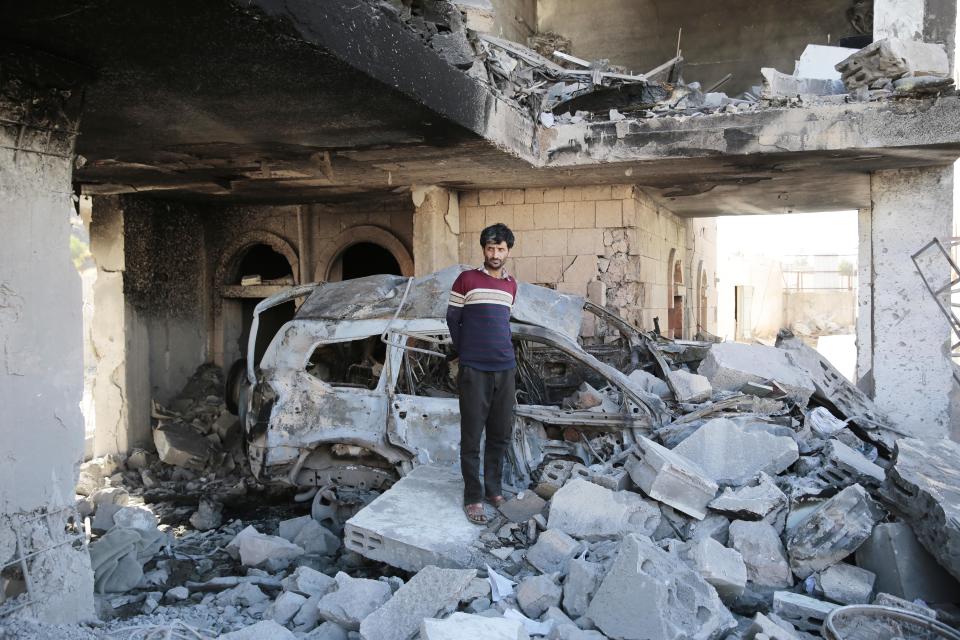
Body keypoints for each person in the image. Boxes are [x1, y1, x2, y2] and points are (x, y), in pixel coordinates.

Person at [446, 223, 518, 525]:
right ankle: (473, 497)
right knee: (472, 436)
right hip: (474, 369)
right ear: (483, 250)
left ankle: (493, 490)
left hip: (505, 368)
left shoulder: (511, 285)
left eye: (500, 249)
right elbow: (453, 319)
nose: (495, 254)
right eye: (490, 248)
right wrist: (467, 354)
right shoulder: (466, 280)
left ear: (508, 251)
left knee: (500, 434)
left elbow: (504, 324)